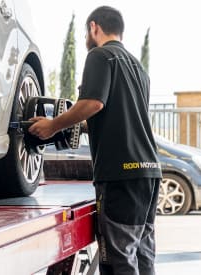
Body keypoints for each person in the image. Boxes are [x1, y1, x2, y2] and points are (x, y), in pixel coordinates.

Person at [28, 6, 162, 275]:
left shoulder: (100, 56)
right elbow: (117, 116)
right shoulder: (138, 68)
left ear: (93, 27)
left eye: (86, 32)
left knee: (118, 259)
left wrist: (53, 126)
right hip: (148, 173)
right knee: (142, 254)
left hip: (120, 174)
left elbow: (93, 103)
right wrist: (79, 126)